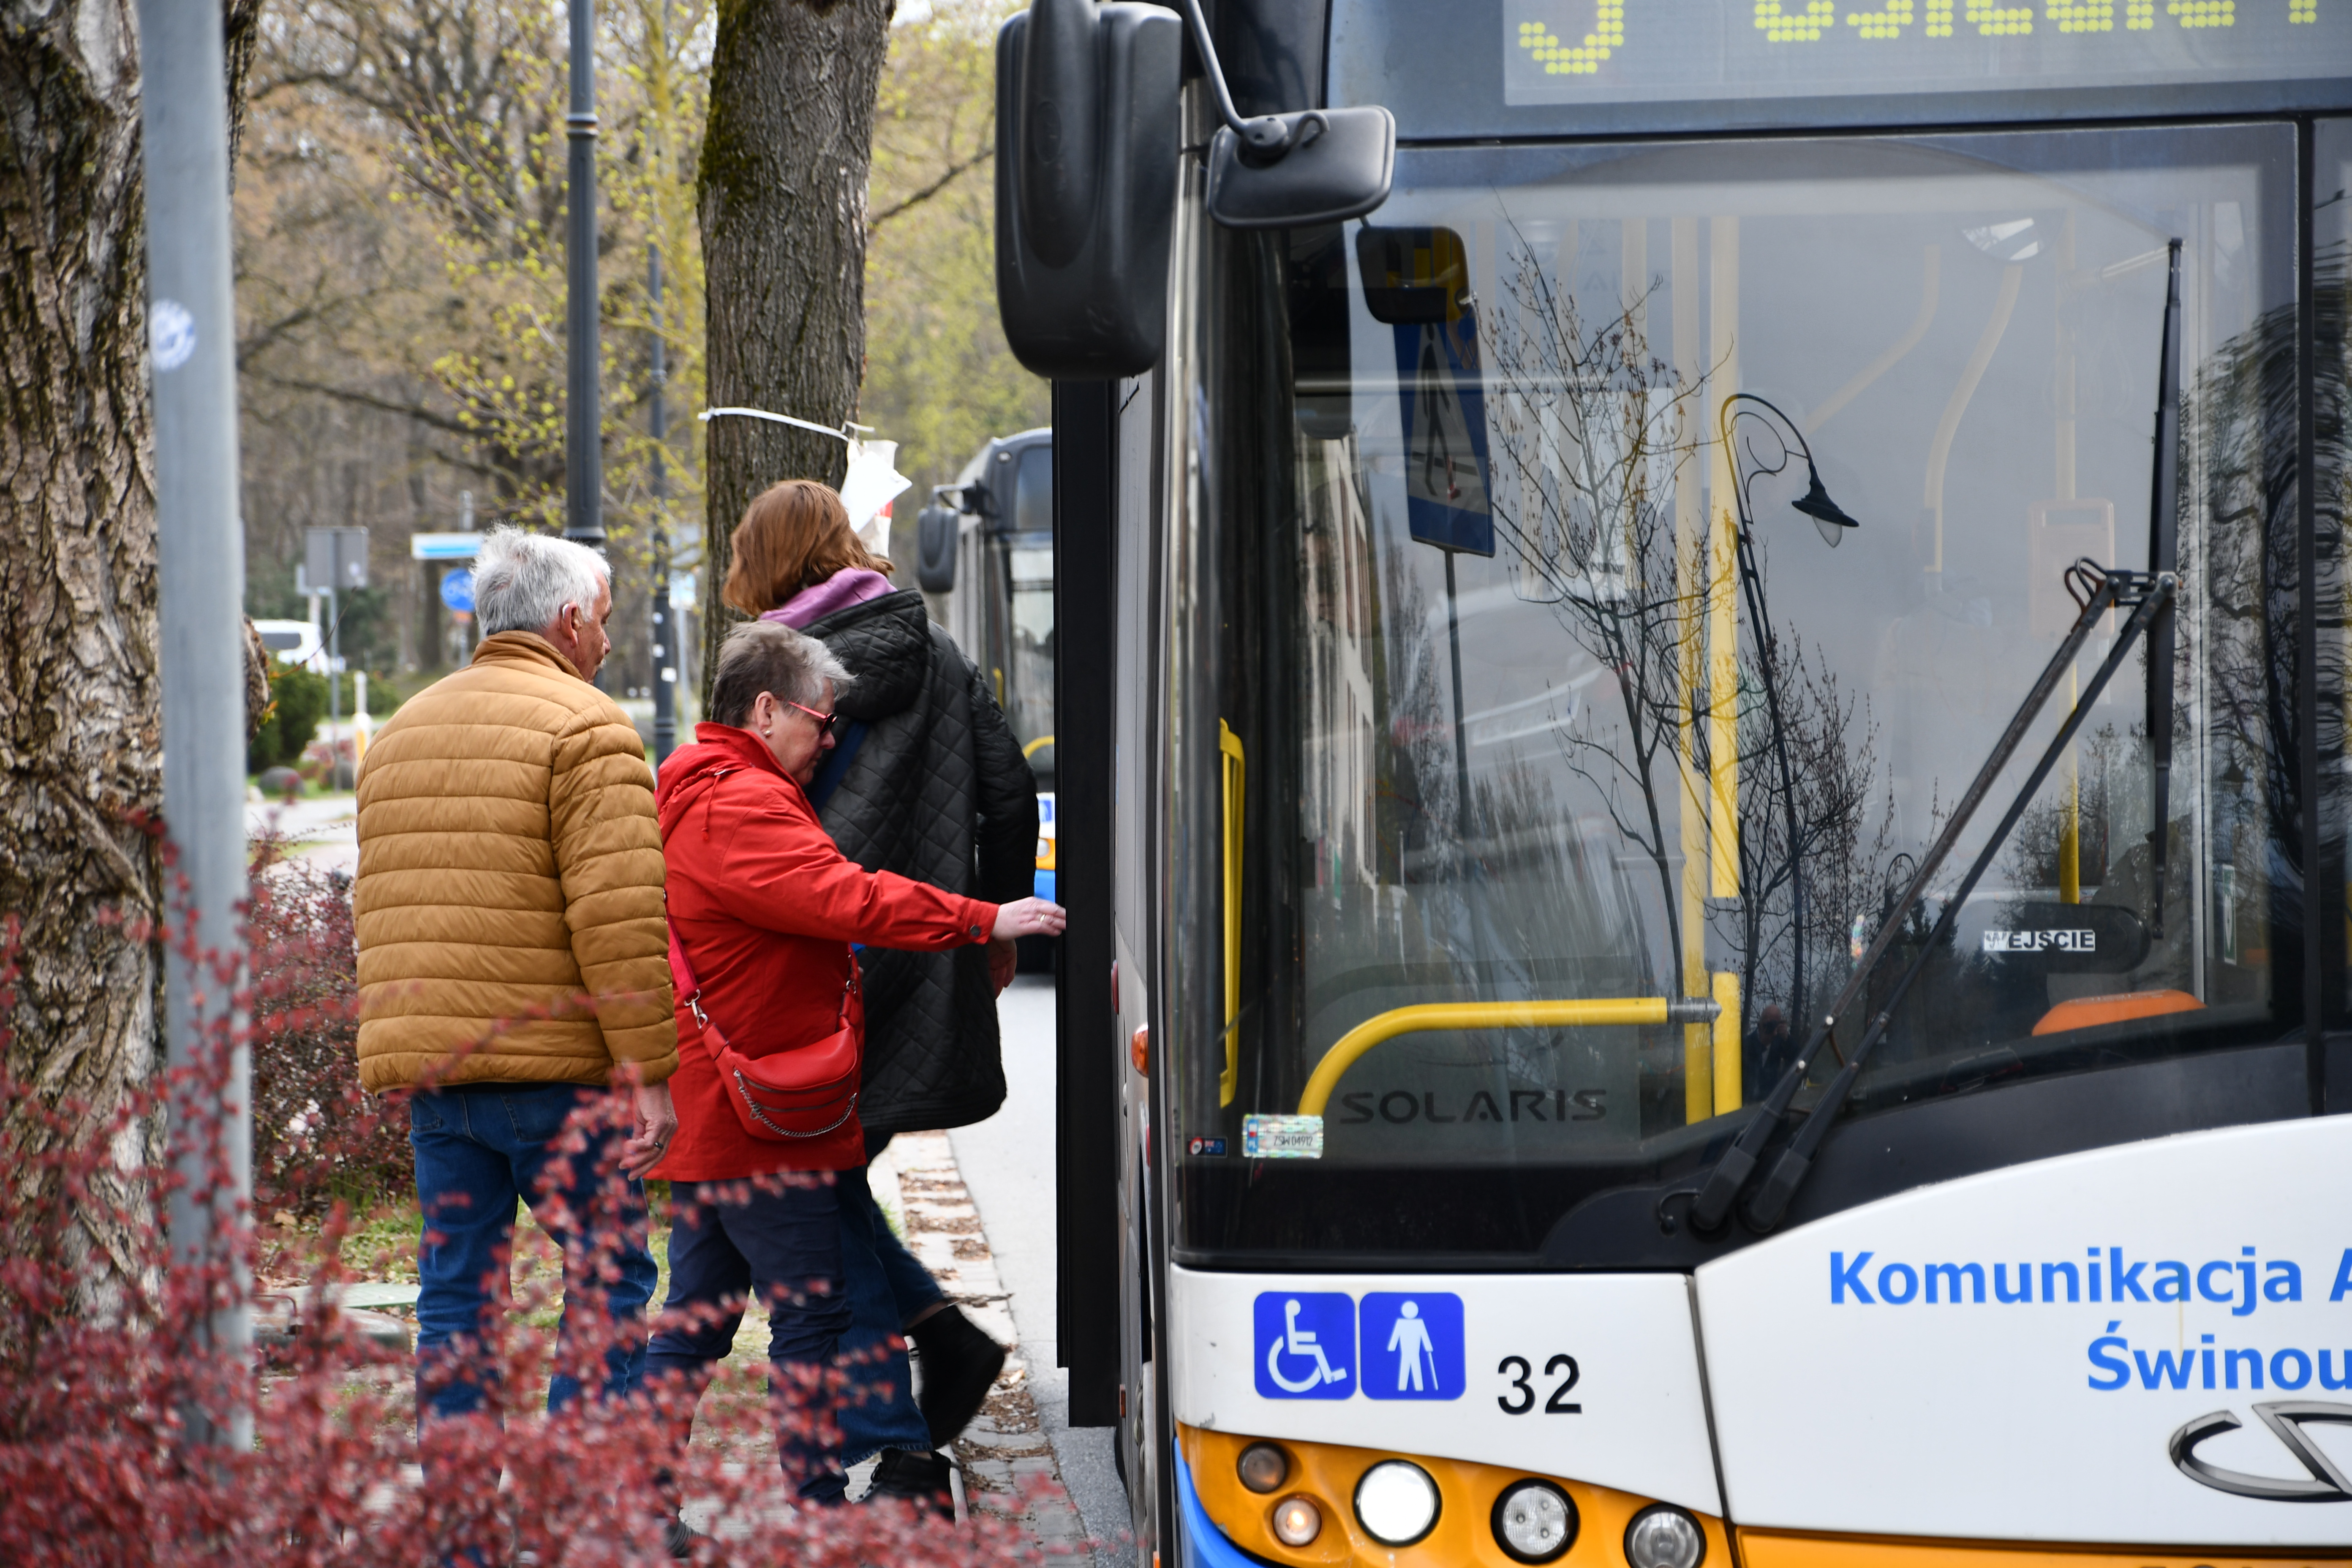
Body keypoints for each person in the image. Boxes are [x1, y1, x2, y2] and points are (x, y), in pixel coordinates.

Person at [644, 620, 1064, 1514]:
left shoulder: (704, 785)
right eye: (820, 721)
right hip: (763, 1112)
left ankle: (639, 1500)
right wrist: (983, 918)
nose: (829, 739)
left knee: (699, 1317)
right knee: (811, 1316)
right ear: (765, 708)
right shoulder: (740, 803)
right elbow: (845, 896)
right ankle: (815, 1501)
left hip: (729, 1105)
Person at [721, 479, 1036, 1453]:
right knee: (825, 1177)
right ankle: (937, 1344)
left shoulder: (769, 676)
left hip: (820, 956)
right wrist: (993, 923)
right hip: (924, 947)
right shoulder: (934, 647)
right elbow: (1011, 786)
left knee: (802, 1181)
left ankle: (894, 1428)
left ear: (768, 561)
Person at [352, 527, 678, 1451]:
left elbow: (384, 908)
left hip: (439, 1082)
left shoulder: (399, 734)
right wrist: (649, 1070)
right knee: (609, 1280)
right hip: (558, 1081)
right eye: (606, 622)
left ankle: (459, 1532)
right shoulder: (587, 727)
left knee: (457, 1297)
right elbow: (617, 920)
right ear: (571, 620)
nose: (609, 644)